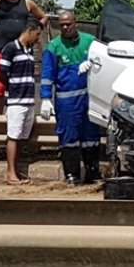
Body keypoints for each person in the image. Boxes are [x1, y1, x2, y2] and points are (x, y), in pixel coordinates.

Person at [41, 11, 100, 184]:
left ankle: (93, 174)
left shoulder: (90, 42)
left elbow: (104, 61)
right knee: (69, 138)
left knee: (91, 137)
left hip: (89, 100)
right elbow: (47, 75)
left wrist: (92, 63)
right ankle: (72, 175)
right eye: (62, 25)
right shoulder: (54, 47)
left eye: (69, 24)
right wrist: (45, 98)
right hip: (67, 103)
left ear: (76, 23)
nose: (66, 27)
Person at [0, 17, 43, 185]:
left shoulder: (29, 50)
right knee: (13, 136)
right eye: (37, 34)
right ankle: (10, 173)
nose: (38, 38)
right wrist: (12, 87)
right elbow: (2, 73)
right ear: (29, 31)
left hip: (29, 99)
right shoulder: (11, 48)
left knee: (22, 136)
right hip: (16, 100)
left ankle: (16, 170)